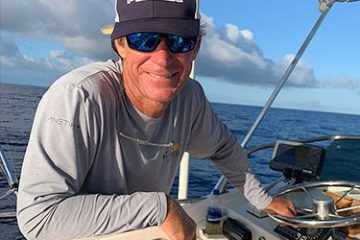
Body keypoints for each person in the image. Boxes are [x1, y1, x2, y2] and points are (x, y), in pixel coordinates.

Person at [17, 0, 296, 239]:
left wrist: (264, 200)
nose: (162, 59)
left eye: (179, 40)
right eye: (144, 39)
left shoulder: (190, 98)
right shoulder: (78, 97)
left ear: (196, 47)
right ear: (120, 45)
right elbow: (38, 218)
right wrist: (159, 207)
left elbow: (222, 148)